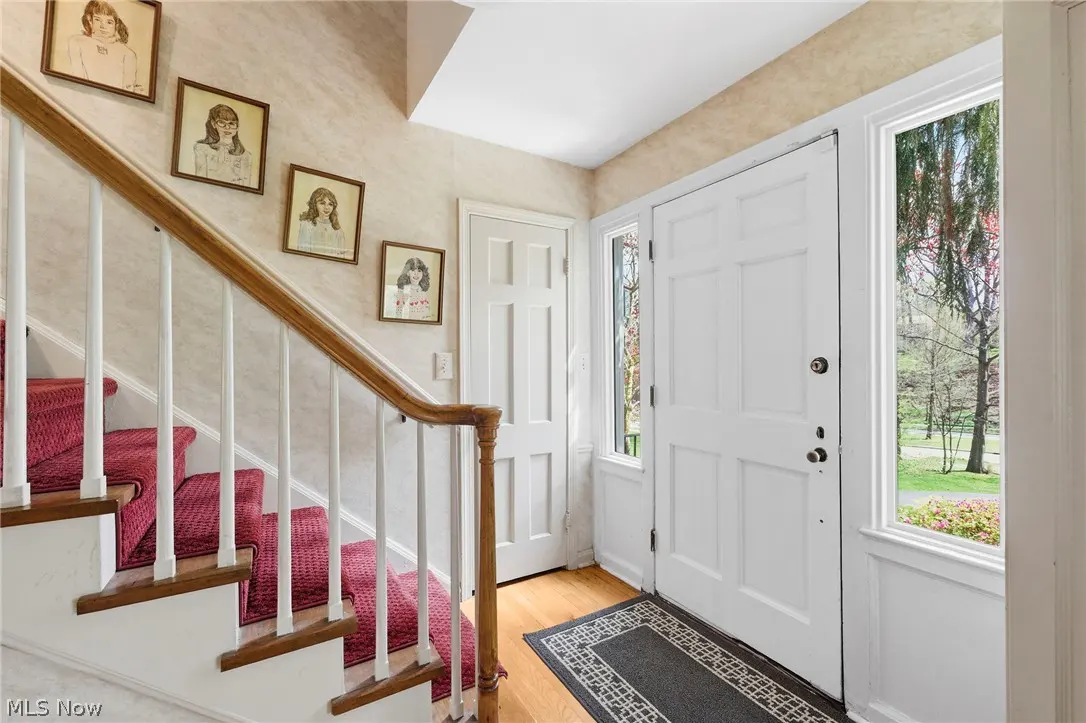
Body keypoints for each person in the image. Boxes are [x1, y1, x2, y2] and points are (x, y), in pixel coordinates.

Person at [67, 0, 141, 94]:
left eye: (109, 22)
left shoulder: (128, 54)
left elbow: (128, 89)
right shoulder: (77, 41)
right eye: (98, 19)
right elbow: (77, 78)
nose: (103, 26)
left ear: (116, 25)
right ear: (90, 20)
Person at [192, 104, 253, 187]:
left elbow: (246, 186)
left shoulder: (246, 155)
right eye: (221, 122)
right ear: (213, 124)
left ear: (237, 127)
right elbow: (199, 180)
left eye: (232, 123)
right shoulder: (202, 149)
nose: (227, 127)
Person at [295, 187, 348, 257]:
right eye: (322, 203)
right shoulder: (307, 225)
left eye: (330, 204)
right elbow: (302, 252)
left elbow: (342, 256)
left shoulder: (338, 230)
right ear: (314, 205)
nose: (327, 207)